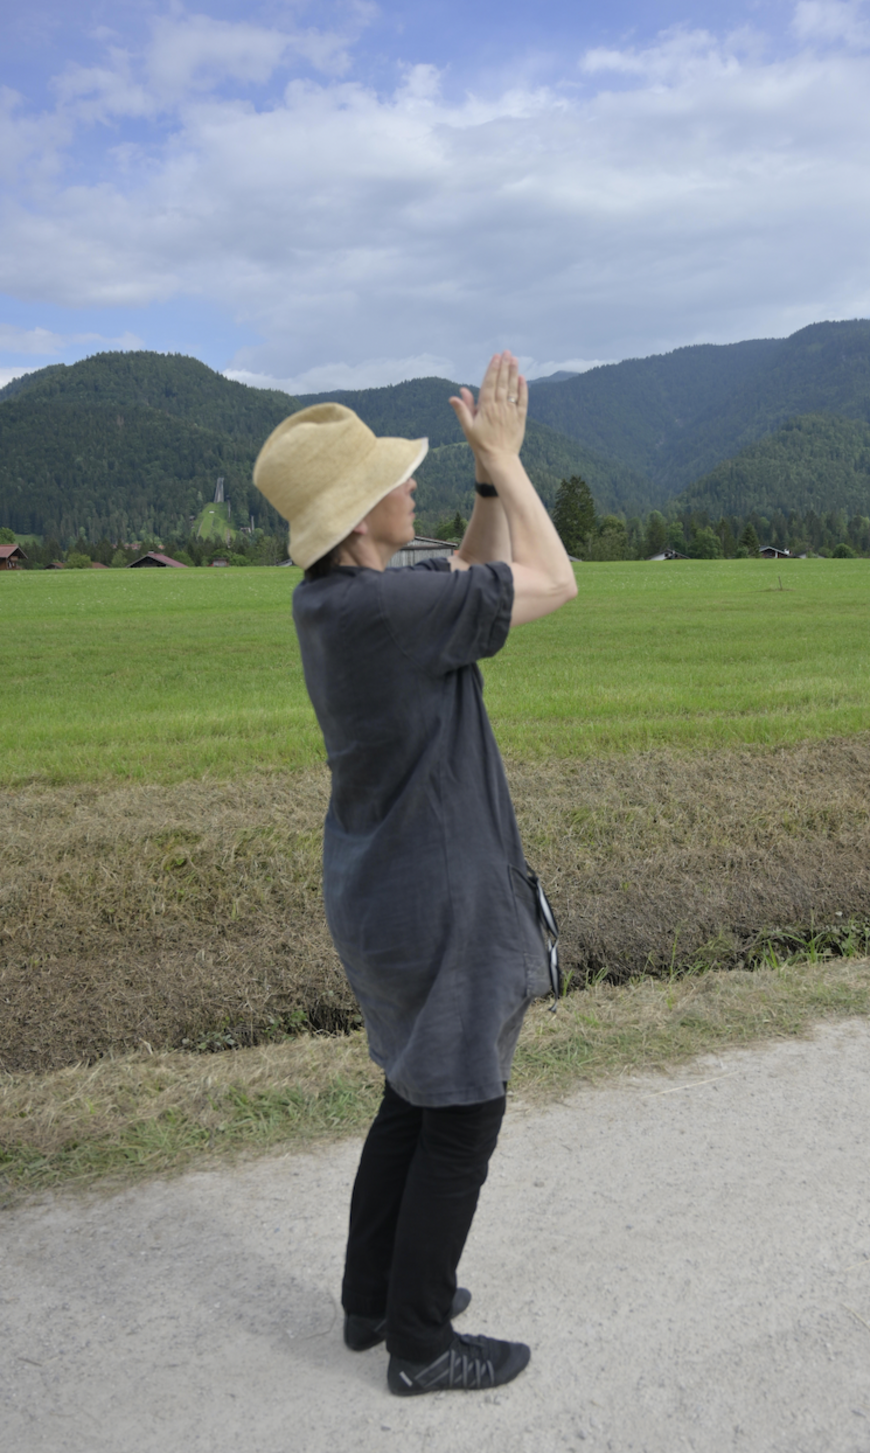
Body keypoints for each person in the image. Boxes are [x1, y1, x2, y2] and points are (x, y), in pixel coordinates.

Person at [253, 351, 577, 1395]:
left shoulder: (343, 607)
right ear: (357, 519)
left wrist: (484, 490)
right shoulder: (388, 614)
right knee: (464, 1109)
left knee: (410, 1095)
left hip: (380, 895)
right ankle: (422, 1342)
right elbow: (552, 581)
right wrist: (508, 461)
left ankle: (371, 1301)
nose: (410, 489)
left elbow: (467, 578)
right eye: (395, 482)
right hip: (440, 905)